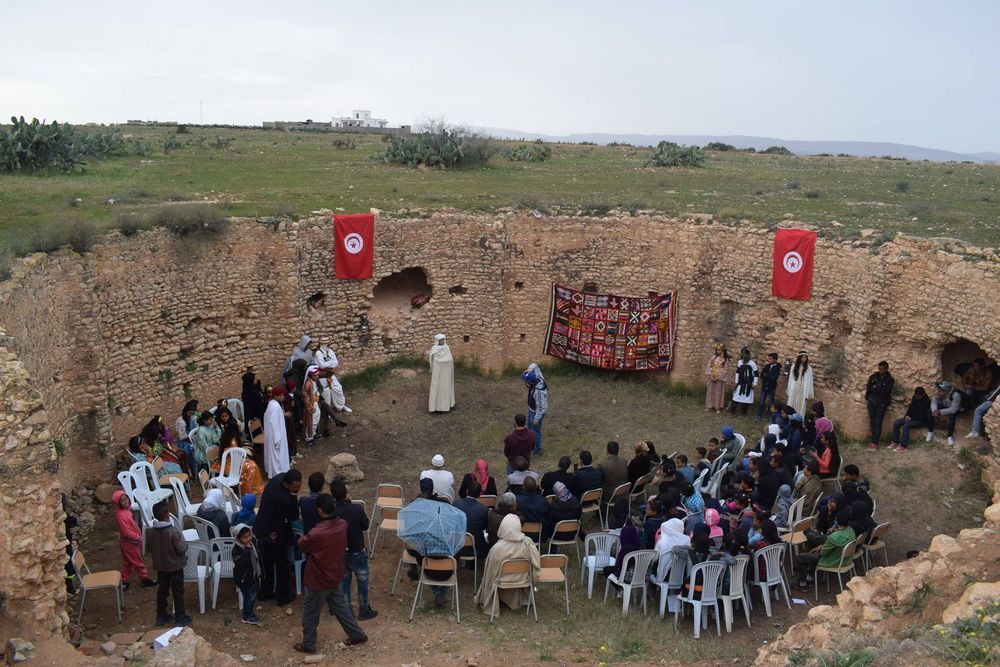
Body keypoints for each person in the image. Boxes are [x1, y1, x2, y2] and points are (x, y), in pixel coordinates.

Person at [294, 494, 368, 654]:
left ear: (320, 510)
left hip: (318, 578)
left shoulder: (316, 532)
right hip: (335, 574)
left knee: (310, 613)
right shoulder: (342, 525)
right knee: (341, 608)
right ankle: (357, 635)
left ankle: (308, 644)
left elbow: (302, 545)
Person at [474, 514, 541, 615]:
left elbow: (490, 574)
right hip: (523, 579)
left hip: (501, 580)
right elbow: (536, 566)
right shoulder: (528, 544)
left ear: (503, 527)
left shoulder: (497, 548)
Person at [330, 481, 377, 621]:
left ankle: (347, 613)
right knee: (362, 582)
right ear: (346, 493)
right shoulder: (356, 508)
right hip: (357, 551)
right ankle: (364, 610)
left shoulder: (332, 512)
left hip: (340, 552)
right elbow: (365, 525)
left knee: (344, 583)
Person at [255, 469, 302, 606]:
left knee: (267, 563)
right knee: (282, 564)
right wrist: (294, 496)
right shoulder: (285, 499)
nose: (298, 489)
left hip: (262, 525)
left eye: (300, 485)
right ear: (287, 485)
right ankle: (283, 596)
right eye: (295, 487)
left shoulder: (278, 478)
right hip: (275, 532)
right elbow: (293, 516)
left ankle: (265, 592)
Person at [147, 500, 191, 627]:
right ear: (167, 514)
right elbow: (180, 549)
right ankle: (180, 617)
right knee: (178, 591)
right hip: (175, 566)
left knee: (162, 590)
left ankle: (161, 615)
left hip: (161, 566)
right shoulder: (173, 532)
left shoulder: (151, 532)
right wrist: (185, 545)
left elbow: (149, 548)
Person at [794, 507, 856, 590]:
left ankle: (802, 584)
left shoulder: (833, 537)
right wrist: (822, 546)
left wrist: (821, 548)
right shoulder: (851, 531)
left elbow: (823, 553)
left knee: (801, 557)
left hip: (832, 561)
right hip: (846, 560)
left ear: (836, 520)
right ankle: (809, 578)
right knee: (813, 552)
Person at [112, 491, 156, 590]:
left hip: (128, 542)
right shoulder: (121, 516)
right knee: (137, 561)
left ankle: (124, 580)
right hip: (130, 543)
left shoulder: (126, 512)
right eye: (122, 500)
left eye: (126, 498)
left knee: (127, 562)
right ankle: (144, 579)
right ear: (117, 503)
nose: (125, 501)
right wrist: (138, 537)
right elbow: (126, 532)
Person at [232, 524, 262, 625]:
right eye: (245, 537)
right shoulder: (237, 550)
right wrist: (247, 551)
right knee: (248, 596)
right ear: (238, 538)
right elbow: (241, 563)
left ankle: (250, 612)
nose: (248, 538)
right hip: (243, 579)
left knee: (252, 596)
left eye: (249, 535)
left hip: (251, 576)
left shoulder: (252, 544)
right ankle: (246, 616)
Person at [453, 480, 490, 563]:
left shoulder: (455, 504)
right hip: (475, 547)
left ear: (467, 491)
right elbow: (484, 527)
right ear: (480, 494)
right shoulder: (483, 509)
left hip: (456, 546)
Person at [889, 386, 933, 452]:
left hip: (921, 421)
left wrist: (911, 418)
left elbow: (923, 416)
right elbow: (910, 408)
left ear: (923, 395)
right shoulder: (914, 398)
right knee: (897, 423)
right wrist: (907, 416)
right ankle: (895, 442)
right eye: (916, 395)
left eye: (918, 396)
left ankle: (903, 446)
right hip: (912, 418)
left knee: (906, 425)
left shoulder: (927, 402)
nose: (917, 397)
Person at [864, 361, 895, 450]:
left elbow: (886, 392)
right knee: (872, 421)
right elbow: (869, 388)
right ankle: (873, 438)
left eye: (882, 369)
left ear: (886, 369)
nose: (880, 371)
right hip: (872, 401)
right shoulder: (874, 377)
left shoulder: (889, 380)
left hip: (881, 403)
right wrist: (876, 390)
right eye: (879, 369)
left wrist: (875, 388)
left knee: (878, 422)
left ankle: (875, 442)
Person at [263, 387, 291, 478]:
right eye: (281, 395)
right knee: (277, 456)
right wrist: (277, 439)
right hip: (276, 436)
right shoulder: (275, 407)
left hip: (273, 435)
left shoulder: (271, 404)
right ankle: (278, 473)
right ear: (275, 396)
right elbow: (274, 424)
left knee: (274, 455)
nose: (283, 397)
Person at [521, 363, 548, 455]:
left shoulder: (538, 391)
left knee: (535, 431)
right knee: (530, 429)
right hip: (532, 409)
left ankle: (537, 451)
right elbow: (535, 365)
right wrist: (529, 369)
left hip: (536, 412)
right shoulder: (538, 376)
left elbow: (540, 406)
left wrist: (537, 418)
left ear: (531, 381)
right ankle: (532, 445)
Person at [428, 333, 456, 413]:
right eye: (441, 340)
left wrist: (446, 362)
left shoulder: (447, 348)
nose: (442, 341)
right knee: (438, 389)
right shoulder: (434, 349)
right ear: (437, 341)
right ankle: (437, 407)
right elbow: (434, 360)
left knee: (446, 389)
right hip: (438, 373)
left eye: (443, 339)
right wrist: (443, 361)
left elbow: (450, 359)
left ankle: (447, 405)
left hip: (446, 373)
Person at [930, 381, 963, 447]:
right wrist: (934, 410)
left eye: (940, 391)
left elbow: (953, 409)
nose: (938, 392)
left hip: (956, 409)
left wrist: (940, 412)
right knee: (929, 411)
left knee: (952, 416)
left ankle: (950, 436)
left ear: (946, 391)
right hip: (946, 406)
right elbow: (934, 400)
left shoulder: (955, 395)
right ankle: (930, 431)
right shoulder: (940, 394)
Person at [730, 347, 759, 415]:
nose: (744, 356)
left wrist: (754, 384)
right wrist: (736, 382)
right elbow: (737, 372)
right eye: (743, 354)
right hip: (741, 383)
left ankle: (743, 413)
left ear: (748, 355)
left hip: (748, 384)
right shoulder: (740, 362)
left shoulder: (753, 364)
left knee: (746, 399)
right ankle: (732, 412)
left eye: (745, 354)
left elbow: (756, 374)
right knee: (736, 397)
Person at [786, 351, 815, 416]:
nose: (804, 359)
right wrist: (789, 389)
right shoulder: (794, 366)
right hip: (794, 389)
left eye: (805, 357)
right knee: (791, 404)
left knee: (801, 407)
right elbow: (790, 379)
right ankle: (789, 419)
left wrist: (808, 393)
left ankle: (798, 420)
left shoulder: (809, 369)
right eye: (802, 357)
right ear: (799, 358)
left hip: (803, 390)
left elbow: (810, 382)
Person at [757, 353, 782, 421]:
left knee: (770, 403)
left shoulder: (777, 368)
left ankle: (770, 416)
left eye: (770, 359)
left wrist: (767, 375)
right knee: (761, 402)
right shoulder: (767, 366)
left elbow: (774, 379)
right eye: (769, 358)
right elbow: (762, 375)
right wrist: (768, 376)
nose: (769, 360)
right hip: (764, 387)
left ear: (775, 360)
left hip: (771, 388)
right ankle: (759, 415)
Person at [705, 343, 730, 413]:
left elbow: (725, 370)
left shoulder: (725, 360)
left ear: (723, 350)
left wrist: (718, 377)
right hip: (711, 377)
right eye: (717, 350)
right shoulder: (713, 357)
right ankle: (709, 405)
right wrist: (710, 375)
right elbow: (709, 365)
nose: (718, 351)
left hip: (719, 379)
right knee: (710, 392)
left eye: (720, 350)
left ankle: (717, 407)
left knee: (718, 393)